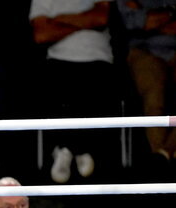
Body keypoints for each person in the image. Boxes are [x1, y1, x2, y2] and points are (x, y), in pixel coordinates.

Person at [30, 0, 116, 183]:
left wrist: (60, 20)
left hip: (99, 61)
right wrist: (85, 21)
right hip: (58, 61)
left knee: (95, 88)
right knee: (58, 87)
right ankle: (79, 149)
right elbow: (42, 34)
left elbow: (100, 18)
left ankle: (66, 149)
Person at [116, 0, 176, 178]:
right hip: (144, 51)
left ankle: (166, 152)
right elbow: (135, 21)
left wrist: (153, 20)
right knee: (154, 92)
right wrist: (175, 11)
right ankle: (163, 161)